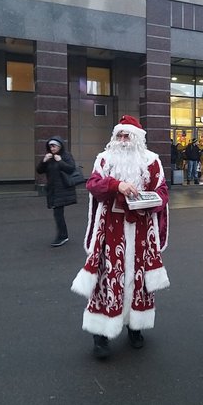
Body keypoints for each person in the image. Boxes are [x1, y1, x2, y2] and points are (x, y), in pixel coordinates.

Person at [71, 115, 170, 359]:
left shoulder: (151, 161)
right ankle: (100, 336)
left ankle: (135, 328)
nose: (123, 140)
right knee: (107, 280)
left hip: (141, 233)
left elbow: (163, 193)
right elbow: (93, 185)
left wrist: (149, 201)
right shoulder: (104, 159)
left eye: (127, 136)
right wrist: (117, 185)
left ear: (137, 138)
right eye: (120, 135)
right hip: (110, 232)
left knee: (140, 282)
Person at [36, 136, 77, 247]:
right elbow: (39, 170)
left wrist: (61, 161)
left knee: (58, 214)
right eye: (50, 146)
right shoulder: (49, 157)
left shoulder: (65, 156)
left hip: (62, 189)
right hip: (53, 189)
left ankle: (62, 236)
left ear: (59, 146)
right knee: (58, 214)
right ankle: (63, 235)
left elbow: (71, 169)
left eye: (54, 146)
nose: (52, 148)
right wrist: (44, 161)